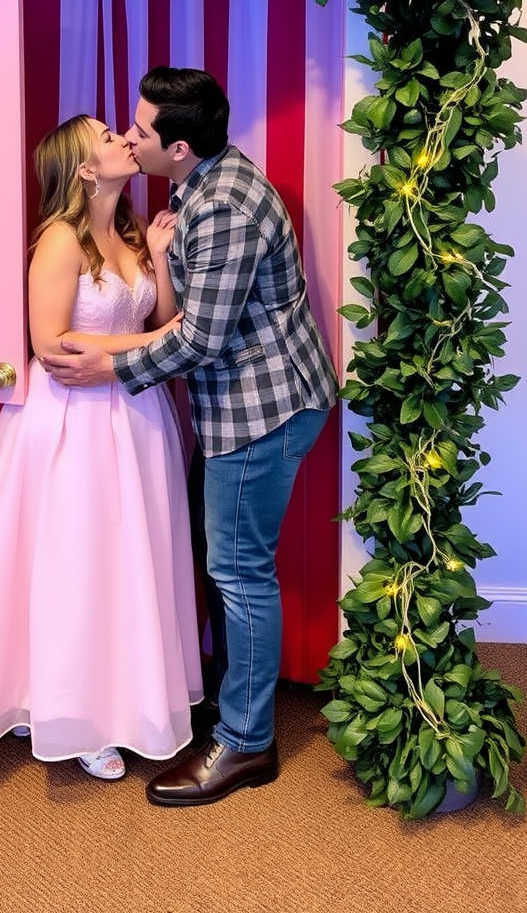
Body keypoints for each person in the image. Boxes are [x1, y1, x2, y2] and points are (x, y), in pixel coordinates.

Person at [43, 68, 338, 807]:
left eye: (141, 130)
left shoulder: (227, 207)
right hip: (234, 405)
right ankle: (229, 705)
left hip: (260, 410)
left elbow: (201, 339)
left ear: (177, 147)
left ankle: (245, 746)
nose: (130, 135)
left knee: (239, 573)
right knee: (220, 561)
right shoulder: (195, 182)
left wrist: (109, 367)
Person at [0, 114, 203, 781]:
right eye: (107, 138)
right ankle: (77, 717)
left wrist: (160, 260)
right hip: (74, 421)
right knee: (78, 563)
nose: (124, 142)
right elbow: (51, 348)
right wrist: (159, 344)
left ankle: (127, 699)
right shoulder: (59, 240)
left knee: (131, 560)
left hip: (136, 418)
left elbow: (159, 318)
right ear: (82, 169)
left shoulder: (129, 231)